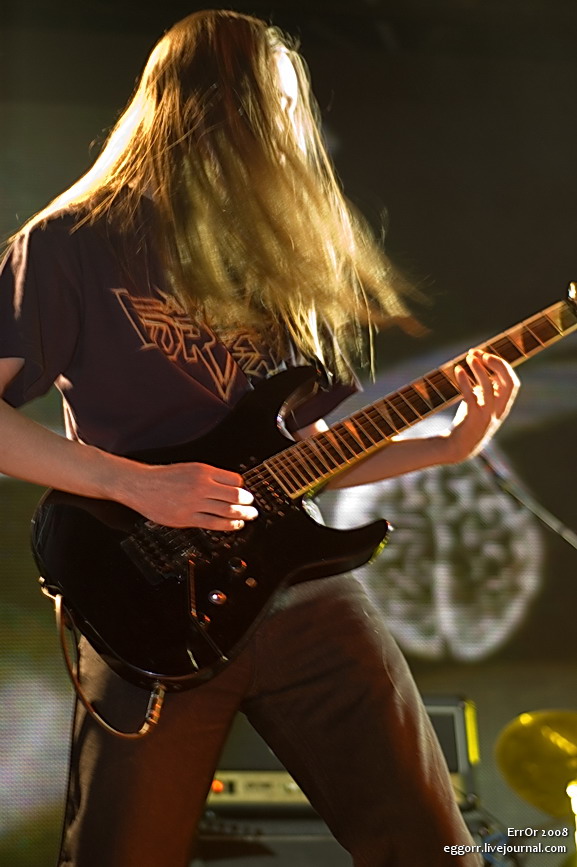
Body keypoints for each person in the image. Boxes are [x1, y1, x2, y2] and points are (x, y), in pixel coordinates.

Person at [0, 10, 519, 867]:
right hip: (144, 596)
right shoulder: (70, 244)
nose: (288, 124)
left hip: (302, 595)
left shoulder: (290, 262)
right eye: (270, 102)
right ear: (200, 105)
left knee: (433, 848)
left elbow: (304, 451)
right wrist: (136, 483)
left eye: (287, 104)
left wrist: (446, 445)